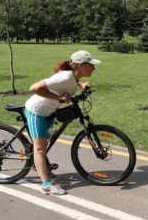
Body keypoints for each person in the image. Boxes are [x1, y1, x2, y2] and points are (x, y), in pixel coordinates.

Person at [25, 50, 100, 195]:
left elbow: (72, 81)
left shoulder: (72, 76)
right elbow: (34, 88)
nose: (94, 68)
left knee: (44, 143)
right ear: (81, 65)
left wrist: (82, 84)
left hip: (49, 111)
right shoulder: (65, 76)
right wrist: (59, 99)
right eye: (91, 65)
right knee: (40, 149)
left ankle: (41, 165)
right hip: (37, 111)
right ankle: (46, 185)